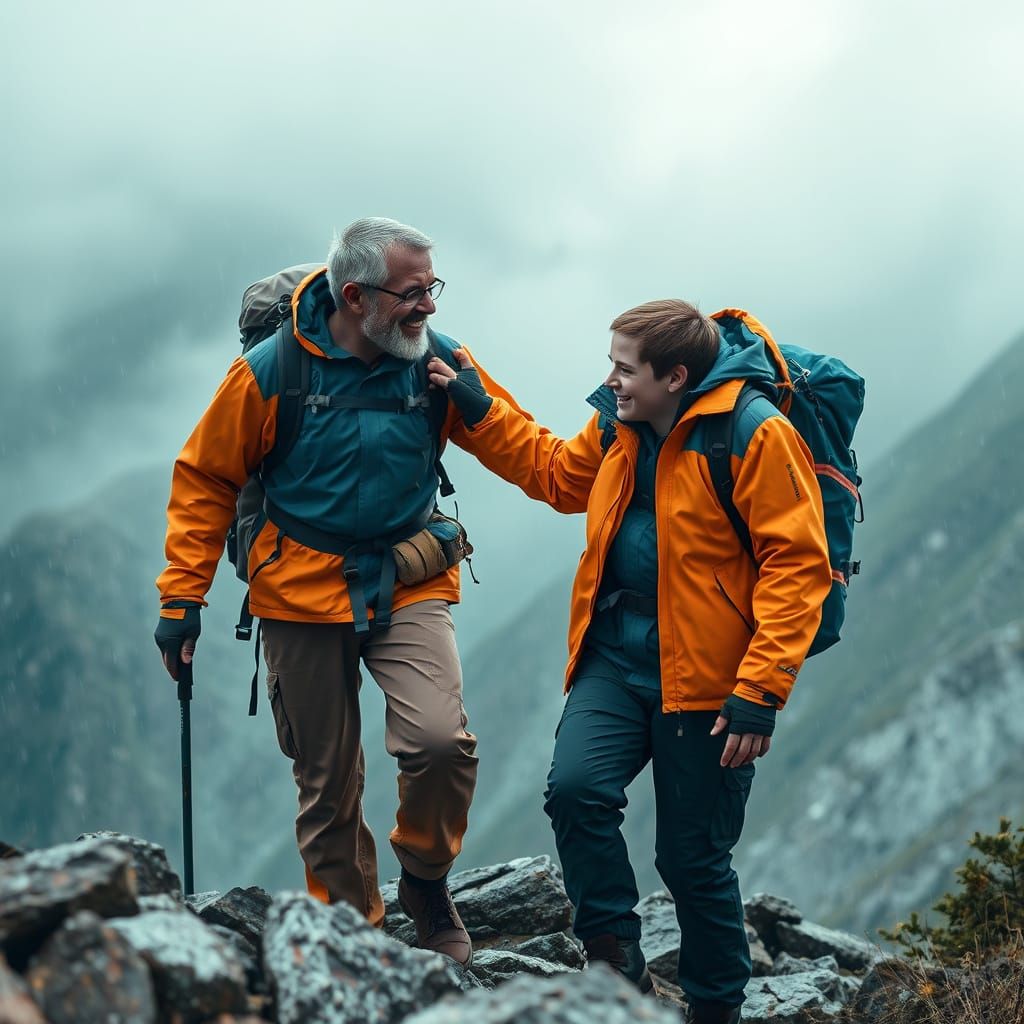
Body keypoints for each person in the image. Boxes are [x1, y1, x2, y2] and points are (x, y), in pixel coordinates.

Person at [429, 300, 832, 1022]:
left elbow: (797, 567)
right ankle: (615, 962)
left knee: (692, 862)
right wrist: (475, 407)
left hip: (713, 684)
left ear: (675, 377)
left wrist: (760, 690)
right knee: (576, 791)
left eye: (624, 368)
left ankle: (715, 1011)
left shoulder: (753, 434)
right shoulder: (617, 426)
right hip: (614, 657)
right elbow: (556, 476)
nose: (609, 379)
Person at [153, 217, 530, 967]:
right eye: (413, 292)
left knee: (438, 744)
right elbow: (206, 480)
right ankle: (351, 942)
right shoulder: (271, 371)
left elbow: (529, 454)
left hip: (407, 576)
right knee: (327, 785)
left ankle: (425, 880)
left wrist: (619, 448)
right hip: (297, 587)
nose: (429, 307)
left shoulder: (440, 365)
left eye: (434, 287)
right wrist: (179, 601)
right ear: (354, 296)